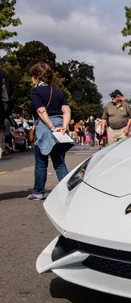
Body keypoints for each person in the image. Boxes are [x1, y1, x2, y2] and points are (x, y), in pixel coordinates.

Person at [27, 62, 72, 200]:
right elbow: (67, 110)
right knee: (59, 161)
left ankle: (38, 192)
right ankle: (68, 192)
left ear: (36, 77)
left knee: (41, 163)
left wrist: (51, 127)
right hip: (60, 127)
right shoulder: (58, 92)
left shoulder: (35, 91)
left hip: (45, 127)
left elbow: (41, 110)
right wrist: (64, 126)